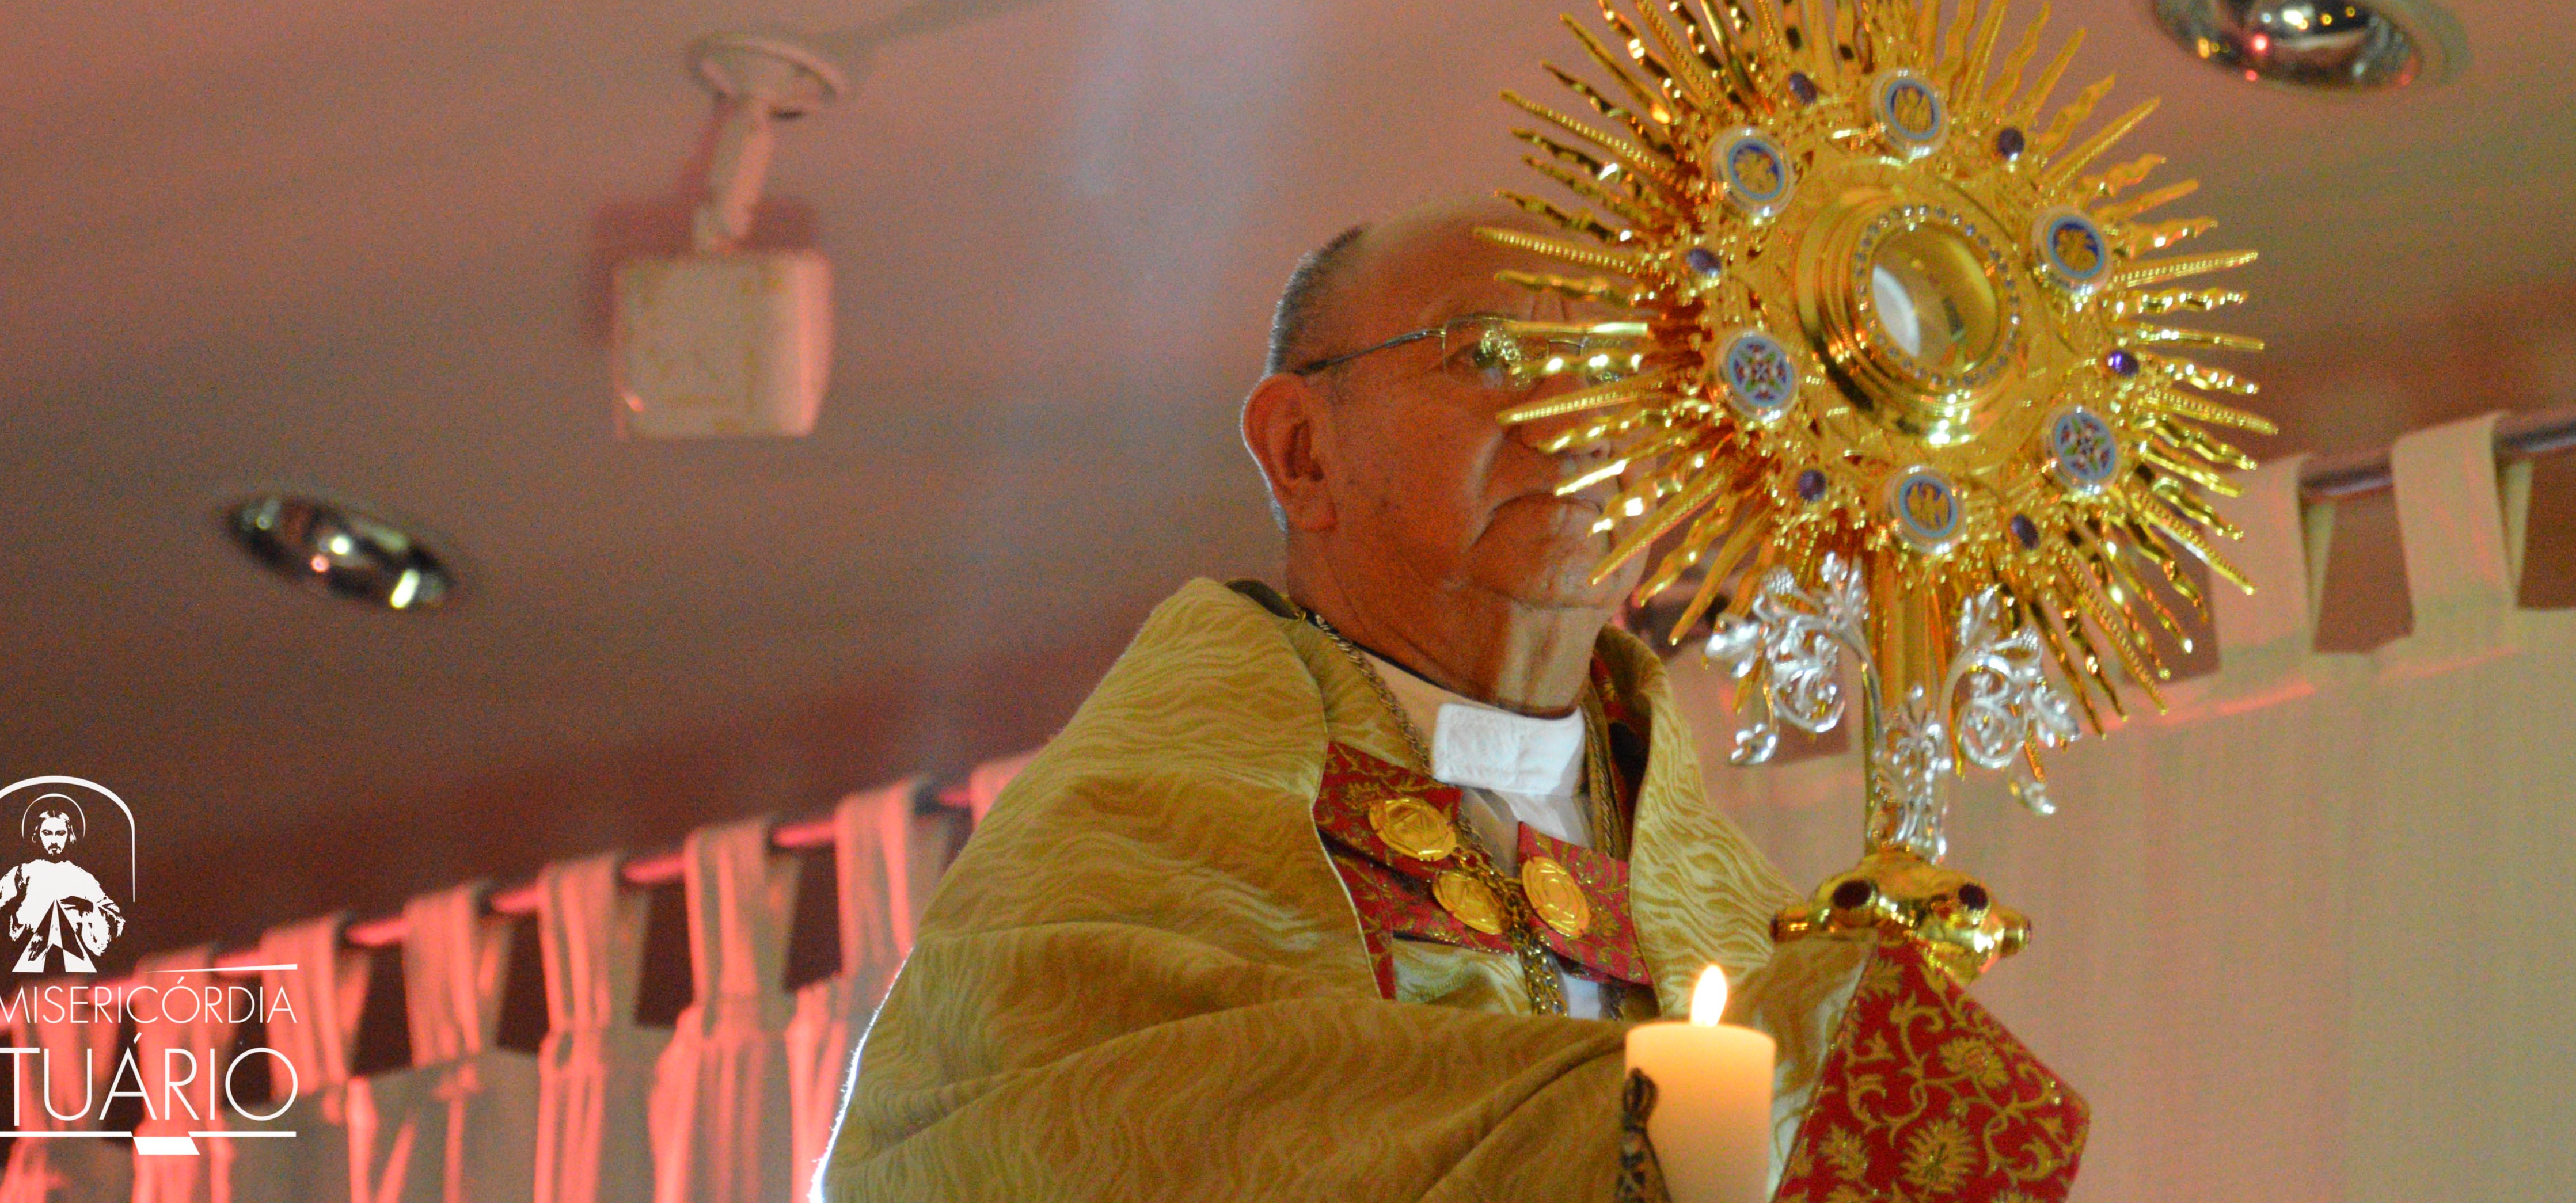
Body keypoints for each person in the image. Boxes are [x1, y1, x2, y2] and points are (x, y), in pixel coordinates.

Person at [820, 202, 2083, 1202]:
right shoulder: (1128, 837)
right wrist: (1683, 1107)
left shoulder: (1740, 921)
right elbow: (1042, 1149)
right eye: (1492, 353)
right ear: (1302, 451)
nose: (1577, 417)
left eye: (1616, 370)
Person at [0, 794, 122, 973]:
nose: (54, 840)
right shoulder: (22, 873)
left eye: (60, 833)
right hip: (27, 961)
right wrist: (15, 912)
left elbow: (116, 920)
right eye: (47, 833)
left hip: (75, 967)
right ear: (37, 835)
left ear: (70, 836)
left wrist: (88, 907)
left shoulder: (84, 878)